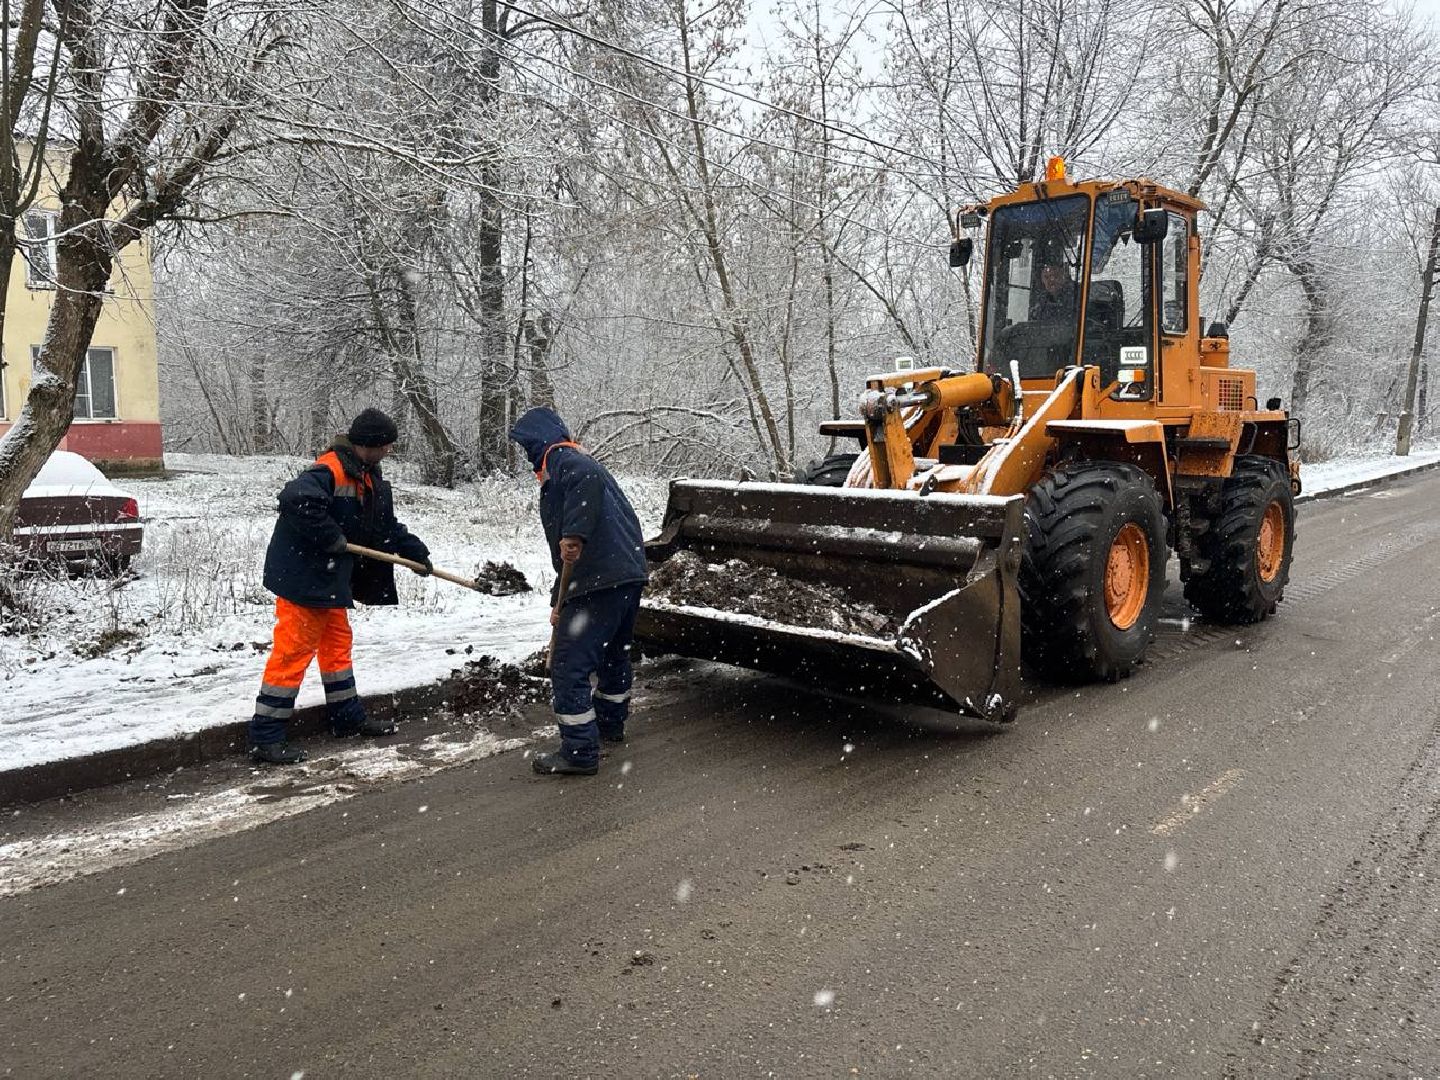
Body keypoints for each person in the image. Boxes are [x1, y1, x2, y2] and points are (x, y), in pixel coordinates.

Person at [249, 408, 433, 765]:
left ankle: (346, 718)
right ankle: (265, 737)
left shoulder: (368, 476)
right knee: (293, 652)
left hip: (329, 580)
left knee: (336, 646)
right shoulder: (330, 469)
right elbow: (294, 500)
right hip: (304, 578)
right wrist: (331, 536)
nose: (390, 452)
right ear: (371, 444)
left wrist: (414, 551)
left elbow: (385, 525)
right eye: (387, 446)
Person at [509, 407, 649, 777]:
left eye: (527, 450)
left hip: (599, 581)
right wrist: (561, 597)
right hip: (627, 575)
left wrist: (573, 532)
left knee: (569, 666)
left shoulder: (564, 459)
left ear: (538, 444)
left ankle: (580, 751)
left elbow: (574, 542)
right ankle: (609, 724)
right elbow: (574, 556)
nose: (529, 461)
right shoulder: (584, 464)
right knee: (614, 656)